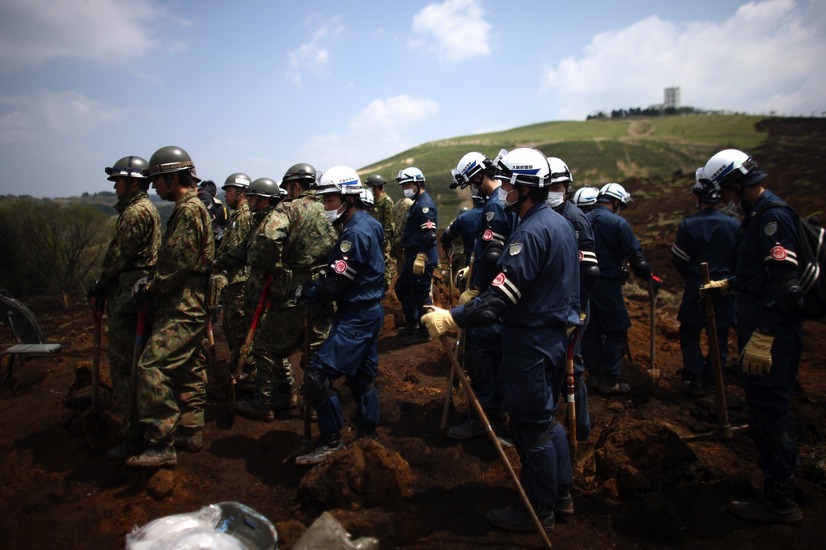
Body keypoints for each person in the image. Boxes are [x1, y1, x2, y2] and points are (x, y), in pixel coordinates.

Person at [422, 147, 580, 533]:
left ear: (524, 188)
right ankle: (561, 496)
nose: (503, 188)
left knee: (531, 427)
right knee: (547, 421)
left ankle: (538, 510)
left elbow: (499, 301)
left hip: (530, 342)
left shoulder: (530, 232)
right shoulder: (558, 224)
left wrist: (453, 318)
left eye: (509, 183)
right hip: (554, 338)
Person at [701, 149, 804, 523]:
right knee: (764, 408)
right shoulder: (758, 215)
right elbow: (761, 274)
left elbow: (786, 287)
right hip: (760, 320)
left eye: (726, 192)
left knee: (768, 410)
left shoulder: (772, 217)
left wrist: (764, 333)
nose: (725, 200)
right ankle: (778, 487)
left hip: (772, 331)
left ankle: (781, 500)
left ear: (734, 184)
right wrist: (728, 284)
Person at [127, 145, 214, 468]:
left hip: (184, 304)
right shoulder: (190, 208)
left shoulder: (189, 210)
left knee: (152, 367)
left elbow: (178, 260)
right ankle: (190, 429)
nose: (155, 187)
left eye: (158, 180)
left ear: (173, 178)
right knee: (189, 366)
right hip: (187, 301)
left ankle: (161, 441)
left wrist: (151, 285)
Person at [294, 166, 385, 465]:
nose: (325, 207)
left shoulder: (354, 233)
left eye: (330, 200)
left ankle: (331, 440)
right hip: (370, 311)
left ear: (348, 198)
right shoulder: (368, 223)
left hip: (356, 315)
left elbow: (337, 283)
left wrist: (311, 291)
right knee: (362, 376)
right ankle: (368, 434)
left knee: (317, 374)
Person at [236, 164, 337, 421]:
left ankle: (265, 403)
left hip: (294, 291)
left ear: (295, 186)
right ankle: (314, 405)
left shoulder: (288, 209)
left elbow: (270, 239)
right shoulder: (331, 208)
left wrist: (272, 267)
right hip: (327, 290)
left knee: (266, 348)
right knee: (315, 350)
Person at [88, 155, 161, 462]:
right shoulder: (146, 209)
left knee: (124, 364)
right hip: (137, 290)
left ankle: (136, 434)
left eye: (119, 181)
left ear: (133, 182)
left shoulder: (136, 212)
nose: (115, 187)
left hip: (129, 293)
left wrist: (100, 285)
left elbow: (119, 256)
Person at [443, 151, 508, 440]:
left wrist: (476, 288)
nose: (471, 188)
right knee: (498, 354)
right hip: (504, 290)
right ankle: (497, 409)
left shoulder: (494, 206)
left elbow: (492, 254)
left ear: (479, 176)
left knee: (479, 352)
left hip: (491, 290)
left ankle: (480, 418)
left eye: (470, 182)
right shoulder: (505, 200)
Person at [583, 182, 660, 395]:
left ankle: (594, 376)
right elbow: (636, 258)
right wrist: (649, 277)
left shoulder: (583, 220)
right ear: (616, 202)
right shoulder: (618, 223)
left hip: (585, 285)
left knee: (591, 329)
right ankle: (610, 380)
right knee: (617, 329)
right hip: (608, 285)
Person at [671, 168, 741, 396]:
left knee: (690, 331)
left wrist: (692, 278)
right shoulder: (733, 225)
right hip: (724, 288)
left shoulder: (689, 224)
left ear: (698, 199)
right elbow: (740, 260)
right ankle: (714, 378)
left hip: (696, 287)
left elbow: (679, 259)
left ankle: (694, 377)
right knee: (719, 336)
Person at [546, 157, 599, 443]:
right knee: (554, 361)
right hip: (552, 303)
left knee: (572, 363)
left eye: (559, 185)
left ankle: (581, 431)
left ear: (567, 187)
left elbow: (589, 272)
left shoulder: (576, 219)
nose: (554, 190)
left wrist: (577, 312)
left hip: (574, 305)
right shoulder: (542, 214)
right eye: (549, 185)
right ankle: (553, 420)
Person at [214, 172, 255, 369]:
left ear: (241, 193)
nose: (225, 196)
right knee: (230, 329)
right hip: (233, 281)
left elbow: (237, 252)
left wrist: (215, 263)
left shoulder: (244, 216)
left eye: (229, 191)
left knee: (240, 331)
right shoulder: (237, 216)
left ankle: (246, 375)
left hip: (240, 283)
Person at [394, 167, 438, 345]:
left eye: (408, 184)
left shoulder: (424, 205)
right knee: (402, 287)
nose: (405, 188)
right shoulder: (416, 203)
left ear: (419, 183)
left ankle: (426, 331)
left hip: (423, 255)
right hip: (413, 255)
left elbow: (429, 235)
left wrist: (420, 256)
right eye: (403, 185)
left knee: (420, 293)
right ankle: (412, 323)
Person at [365, 174, 395, 291]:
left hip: (382, 239)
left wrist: (385, 239)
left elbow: (389, 223)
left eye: (370, 186)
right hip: (371, 238)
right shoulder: (370, 200)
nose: (368, 188)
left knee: (384, 262)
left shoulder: (386, 202)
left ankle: (385, 286)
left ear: (376, 187)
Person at [198, 179, 229, 247]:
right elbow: (227, 226)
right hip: (216, 245)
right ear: (215, 194)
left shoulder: (196, 204)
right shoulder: (222, 208)